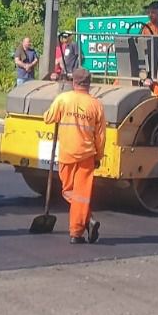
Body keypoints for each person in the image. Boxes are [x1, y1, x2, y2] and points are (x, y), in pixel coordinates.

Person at [43, 67, 108, 244]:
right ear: (89, 84)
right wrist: (98, 156)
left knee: (69, 191)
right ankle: (87, 220)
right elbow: (101, 135)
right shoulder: (96, 105)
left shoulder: (63, 99)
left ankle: (77, 232)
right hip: (87, 155)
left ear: (74, 82)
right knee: (81, 195)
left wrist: (56, 113)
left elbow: (48, 118)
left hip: (67, 153)